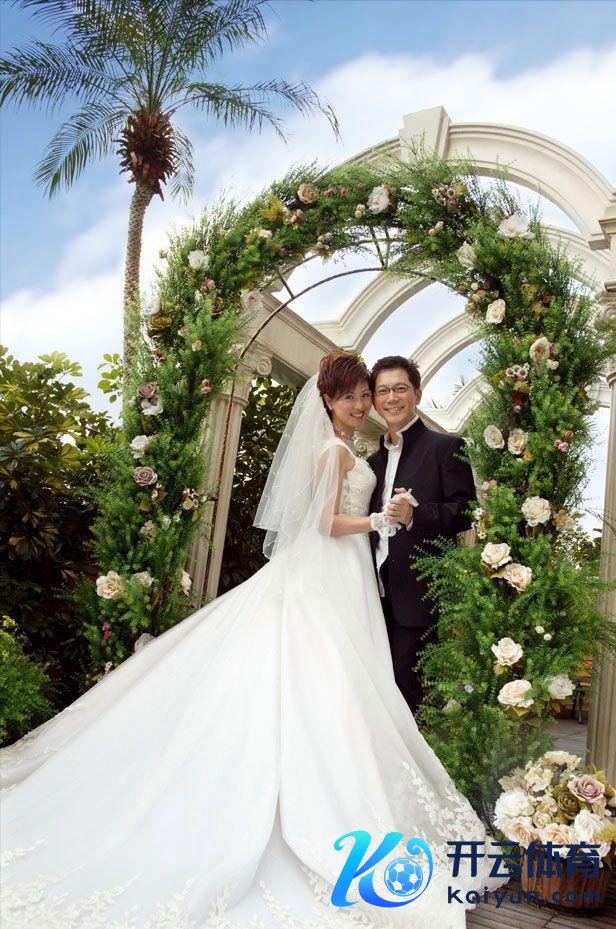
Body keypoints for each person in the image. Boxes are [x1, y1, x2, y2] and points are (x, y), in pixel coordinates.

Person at [0, 350, 503, 929]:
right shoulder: (338, 450)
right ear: (328, 401)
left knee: (351, 685)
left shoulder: (403, 448)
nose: (368, 403)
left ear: (411, 391)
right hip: (333, 573)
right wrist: (380, 520)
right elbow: (325, 522)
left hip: (363, 581)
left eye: (374, 393)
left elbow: (456, 512)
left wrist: (403, 518)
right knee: (323, 679)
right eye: (358, 395)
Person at [367, 355, 477, 714]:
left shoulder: (446, 448)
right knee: (368, 694)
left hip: (416, 599)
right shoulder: (370, 464)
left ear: (417, 393)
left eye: (400, 388)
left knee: (404, 697)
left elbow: (466, 511)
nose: (391, 398)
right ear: (374, 399)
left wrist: (417, 514)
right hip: (367, 594)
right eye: (383, 391)